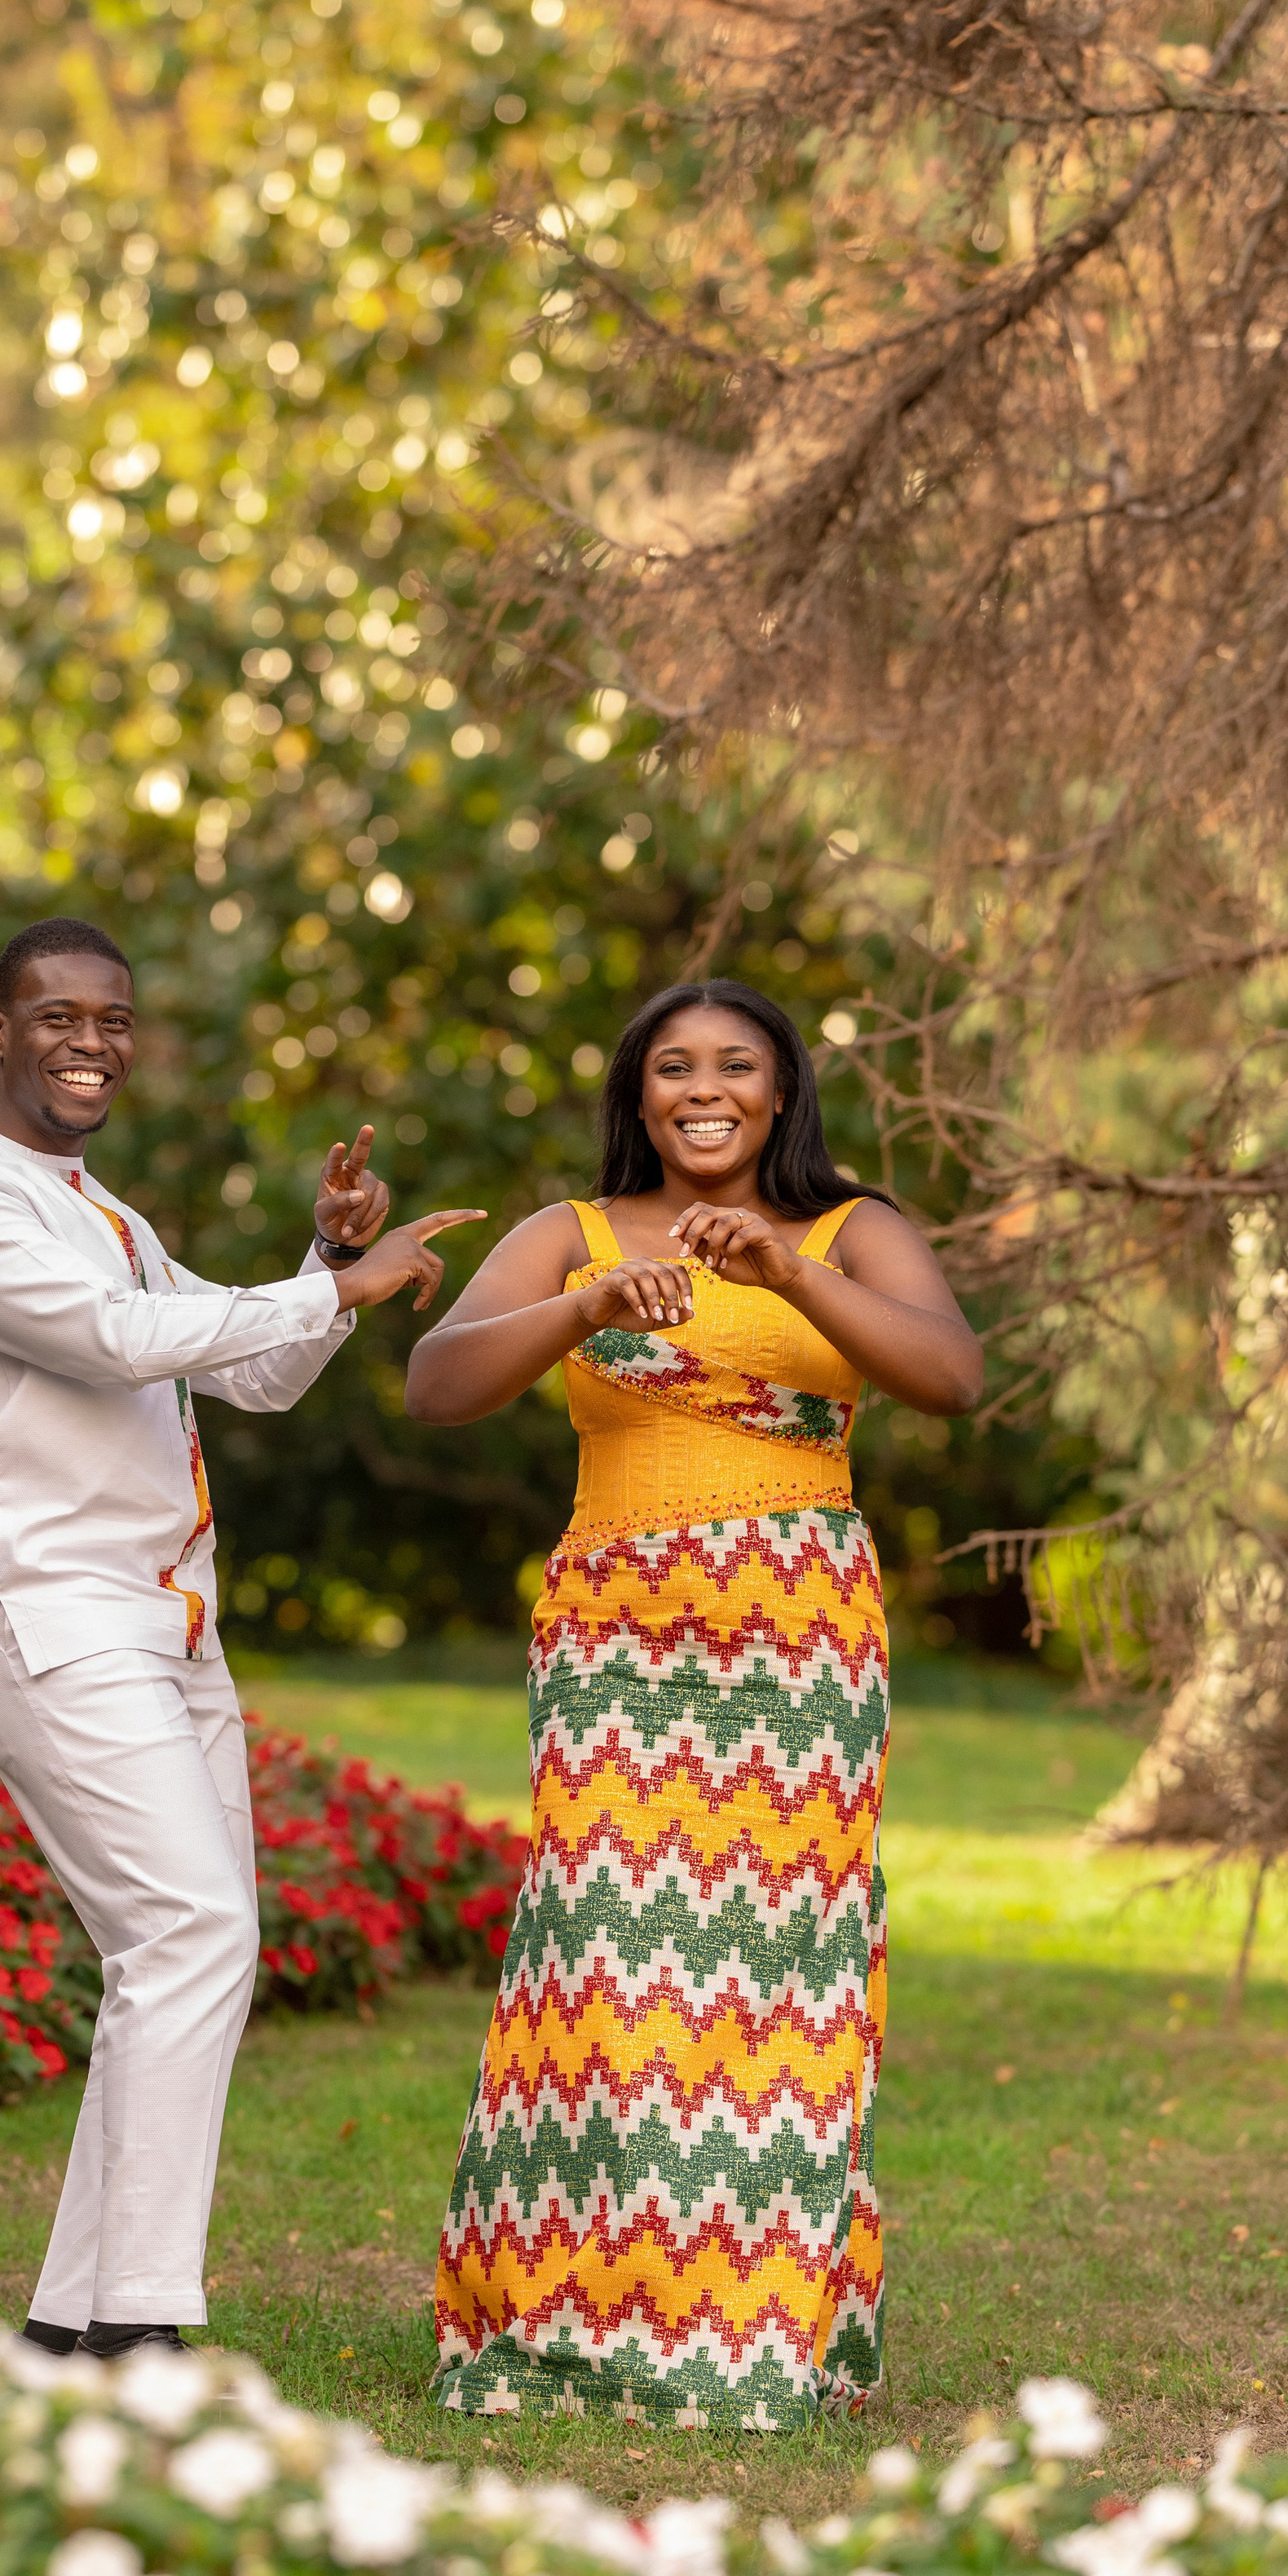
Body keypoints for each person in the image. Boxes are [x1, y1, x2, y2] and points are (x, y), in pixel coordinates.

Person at [0, 915, 479, 2362]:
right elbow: (108, 1340)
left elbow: (250, 1371)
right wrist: (339, 1285)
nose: (90, 1043)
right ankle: (139, 2334)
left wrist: (323, 1260)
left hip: (166, 1628)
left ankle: (69, 2328)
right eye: (57, 1016)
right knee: (188, 1934)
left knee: (185, 1953)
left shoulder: (103, 1209)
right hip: (48, 1613)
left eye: (113, 1020)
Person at [404, 977, 981, 2432]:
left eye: (736, 1064)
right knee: (602, 1965)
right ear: (639, 1093)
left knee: (775, 1976)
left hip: (799, 1644)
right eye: (674, 1067)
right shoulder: (573, 1232)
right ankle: (585, 2316)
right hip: (615, 1633)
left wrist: (790, 1274)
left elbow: (950, 1377)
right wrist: (584, 1305)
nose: (704, 1089)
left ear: (781, 1091)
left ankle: (756, 2328)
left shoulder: (852, 1231)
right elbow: (435, 1385)